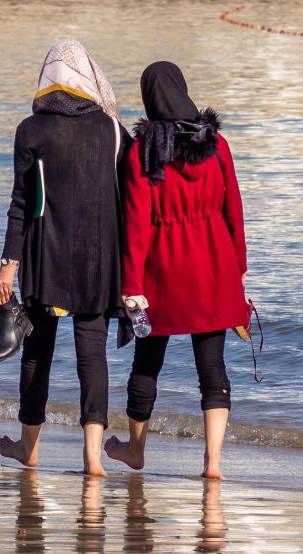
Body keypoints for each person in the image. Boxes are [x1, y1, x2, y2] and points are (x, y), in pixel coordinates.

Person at [104, 61, 249, 480]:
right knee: (213, 368)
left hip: (161, 272)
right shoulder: (216, 144)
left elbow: (136, 224)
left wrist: (131, 285)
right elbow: (233, 210)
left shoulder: (142, 151)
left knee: (147, 363)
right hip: (215, 267)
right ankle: (213, 463)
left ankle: (135, 450)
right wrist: (239, 267)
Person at [0, 39, 129, 477]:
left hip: (45, 257)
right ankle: (92, 458)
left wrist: (8, 263)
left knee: (37, 352)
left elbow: (21, 202)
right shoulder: (112, 130)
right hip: (99, 258)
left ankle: (28, 447)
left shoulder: (31, 129)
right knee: (93, 356)